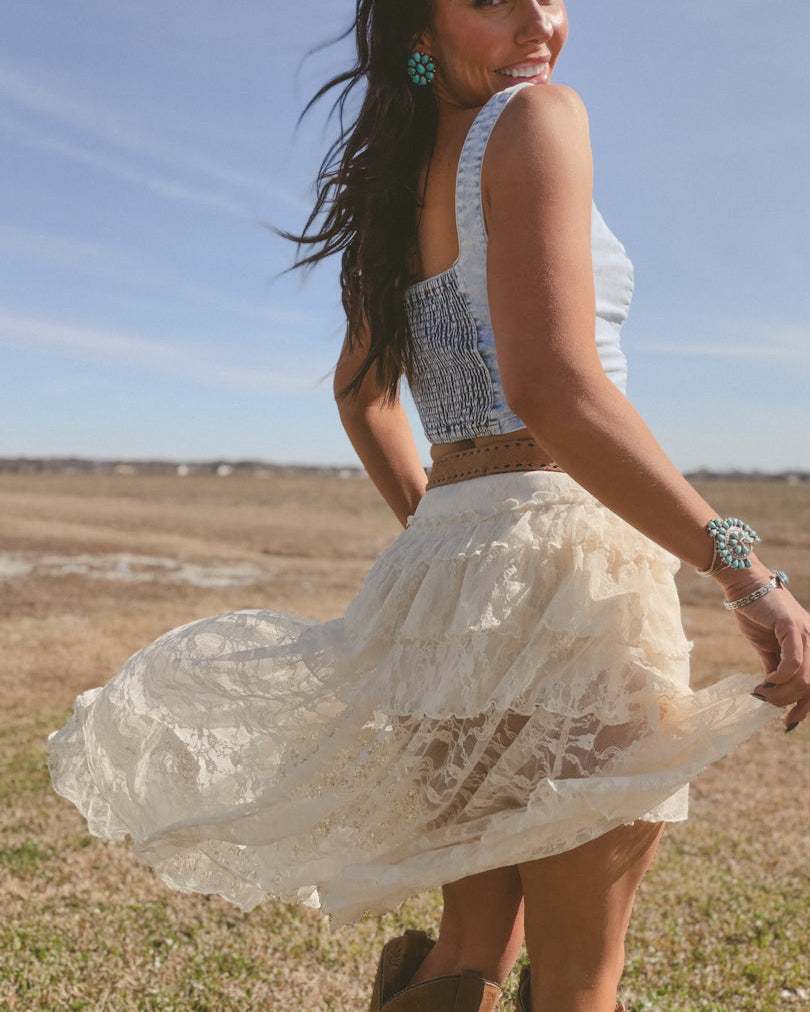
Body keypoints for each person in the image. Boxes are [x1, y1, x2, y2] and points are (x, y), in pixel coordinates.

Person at [49, 2, 810, 1011]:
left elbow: (359, 394)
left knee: (469, 949)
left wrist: (449, 539)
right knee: (581, 973)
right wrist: (744, 569)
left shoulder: (395, 180)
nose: (539, 24)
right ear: (421, 30)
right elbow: (556, 389)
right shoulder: (539, 120)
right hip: (569, 565)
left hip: (452, 577)